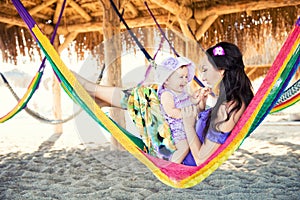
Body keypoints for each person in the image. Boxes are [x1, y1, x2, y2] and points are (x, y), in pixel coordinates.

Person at [181, 42, 254, 166]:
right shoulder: (236, 101)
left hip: (182, 162)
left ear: (221, 70)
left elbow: (200, 159)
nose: (202, 78)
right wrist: (201, 109)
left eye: (205, 70)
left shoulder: (227, 109)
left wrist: (188, 126)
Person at [155, 56, 200, 163]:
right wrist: (187, 114)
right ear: (166, 80)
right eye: (180, 77)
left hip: (187, 126)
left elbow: (191, 101)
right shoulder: (167, 94)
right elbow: (171, 112)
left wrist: (198, 97)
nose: (185, 80)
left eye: (186, 77)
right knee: (184, 147)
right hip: (175, 130)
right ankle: (171, 165)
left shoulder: (184, 92)